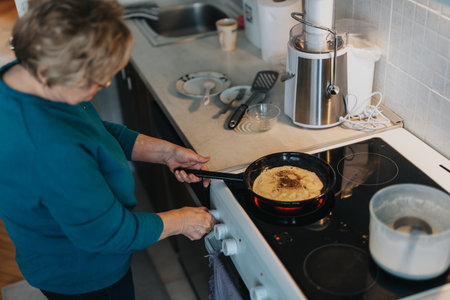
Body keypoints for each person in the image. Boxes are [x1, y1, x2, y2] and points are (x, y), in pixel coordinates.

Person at [0, 0, 216, 299]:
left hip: (63, 250)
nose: (105, 82)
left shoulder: (19, 78)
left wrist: (166, 153)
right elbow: (110, 233)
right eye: (94, 79)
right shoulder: (49, 149)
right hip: (81, 272)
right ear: (51, 72)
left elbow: (93, 132)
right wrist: (183, 220)